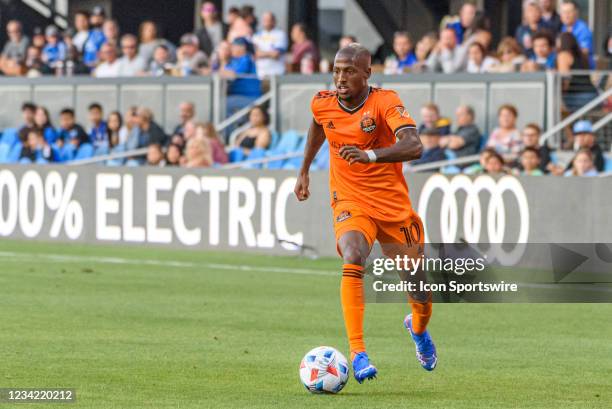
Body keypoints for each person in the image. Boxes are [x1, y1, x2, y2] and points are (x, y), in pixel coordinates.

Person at [294, 44, 436, 383]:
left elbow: (414, 145)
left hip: (393, 208)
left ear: (367, 73)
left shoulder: (384, 101)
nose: (341, 78)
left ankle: (417, 330)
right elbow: (318, 125)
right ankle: (358, 352)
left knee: (419, 291)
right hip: (349, 200)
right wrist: (304, 169)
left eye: (349, 71)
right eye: (337, 70)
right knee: (355, 254)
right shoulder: (322, 101)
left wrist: (370, 156)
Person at [557, 32, 598, 112]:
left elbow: (565, 79)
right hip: (593, 95)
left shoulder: (564, 55)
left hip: (576, 97)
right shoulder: (582, 55)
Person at [222, 37, 261, 114]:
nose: (231, 49)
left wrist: (223, 65)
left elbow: (232, 75)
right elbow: (222, 73)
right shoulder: (233, 61)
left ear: (242, 48)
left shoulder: (246, 58)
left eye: (234, 46)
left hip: (249, 96)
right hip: (237, 95)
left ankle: (231, 126)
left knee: (223, 104)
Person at [252, 12, 288, 79]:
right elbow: (254, 54)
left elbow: (276, 54)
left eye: (269, 20)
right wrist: (269, 53)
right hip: (260, 74)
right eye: (265, 20)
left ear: (274, 21)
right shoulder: (256, 36)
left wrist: (261, 53)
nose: (266, 22)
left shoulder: (280, 34)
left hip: (277, 73)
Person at [560, 0, 594, 68]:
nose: (566, 15)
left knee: (563, 57)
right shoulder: (563, 28)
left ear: (576, 13)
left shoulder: (583, 29)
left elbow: (585, 52)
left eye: (569, 12)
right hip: (567, 66)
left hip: (582, 68)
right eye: (563, 12)